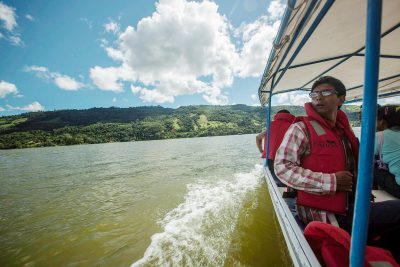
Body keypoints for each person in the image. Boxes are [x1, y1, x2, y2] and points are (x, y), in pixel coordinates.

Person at [274, 76, 400, 252]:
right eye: (314, 94)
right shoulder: (300, 129)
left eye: (325, 92)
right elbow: (282, 167)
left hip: (353, 206)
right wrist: (331, 182)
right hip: (326, 215)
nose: (318, 97)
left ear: (341, 99)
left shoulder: (343, 132)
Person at [256, 109, 295, 177]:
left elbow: (258, 137)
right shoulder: (293, 126)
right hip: (288, 162)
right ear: (290, 116)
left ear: (277, 116)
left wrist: (261, 150)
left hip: (271, 160)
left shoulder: (270, 126)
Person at [374, 105, 400, 198]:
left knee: (371, 166)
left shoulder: (380, 136)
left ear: (381, 121)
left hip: (398, 188)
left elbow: (362, 155)